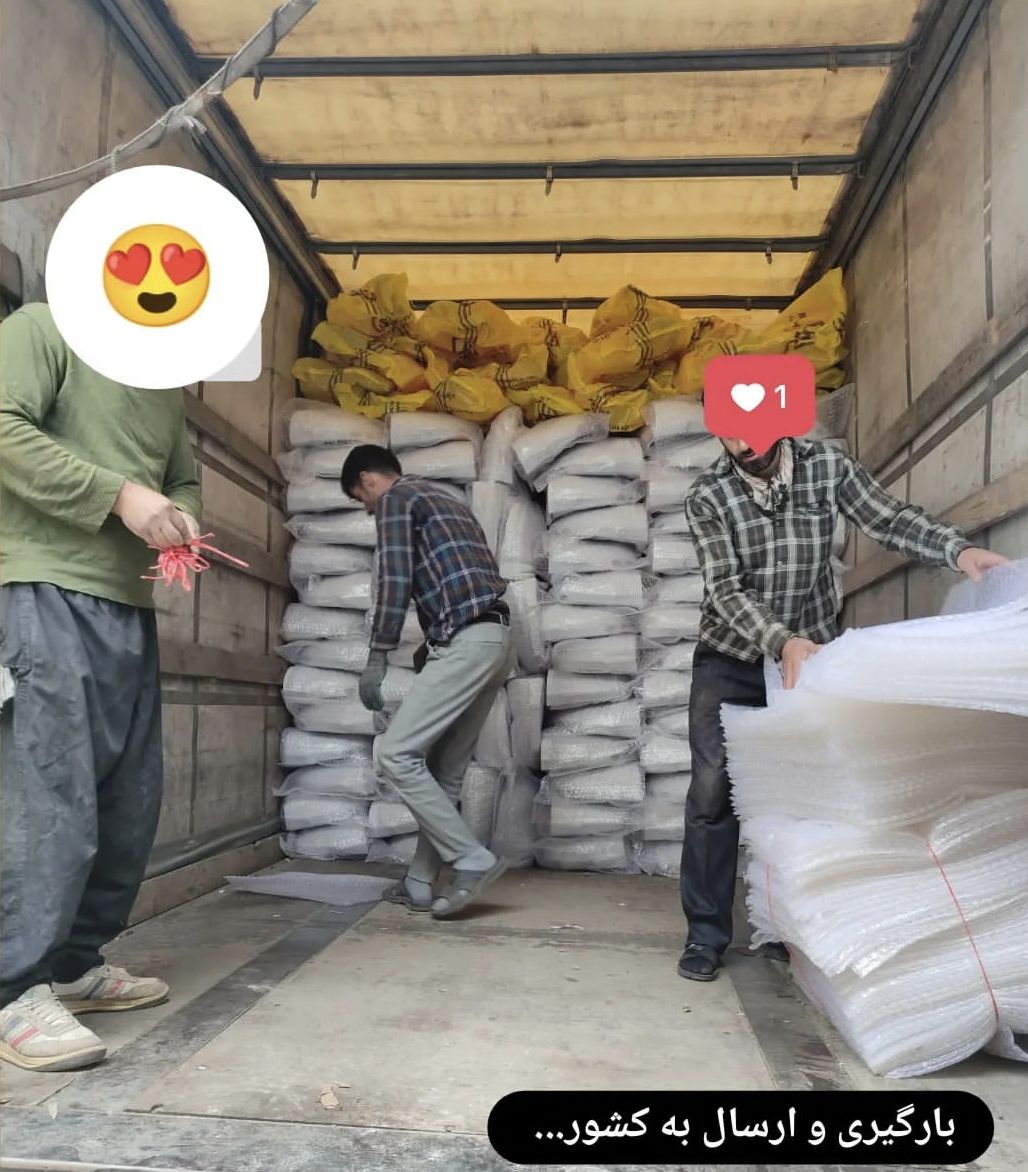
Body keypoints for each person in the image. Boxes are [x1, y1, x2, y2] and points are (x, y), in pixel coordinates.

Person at [678, 431, 1007, 982]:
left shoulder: (826, 466)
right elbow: (725, 590)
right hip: (730, 657)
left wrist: (958, 550)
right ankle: (705, 936)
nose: (744, 441)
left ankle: (784, 929)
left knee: (801, 794)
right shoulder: (708, 494)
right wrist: (780, 641)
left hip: (811, 652)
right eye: (730, 429)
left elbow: (887, 519)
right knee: (713, 792)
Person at [0, 302, 201, 1070]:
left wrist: (182, 518)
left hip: (127, 606)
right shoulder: (41, 329)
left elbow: (181, 478)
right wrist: (120, 495)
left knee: (128, 798)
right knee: (48, 798)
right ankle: (13, 988)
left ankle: (73, 964)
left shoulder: (164, 382)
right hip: (40, 586)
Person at [342, 445, 514, 919]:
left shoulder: (397, 499)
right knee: (445, 773)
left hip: (469, 641)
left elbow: (394, 580)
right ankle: (419, 883)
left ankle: (469, 858)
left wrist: (378, 655)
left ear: (368, 480)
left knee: (396, 754)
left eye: (361, 498)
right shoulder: (448, 502)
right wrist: (433, 642)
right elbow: (454, 577)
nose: (368, 509)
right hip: (496, 637)